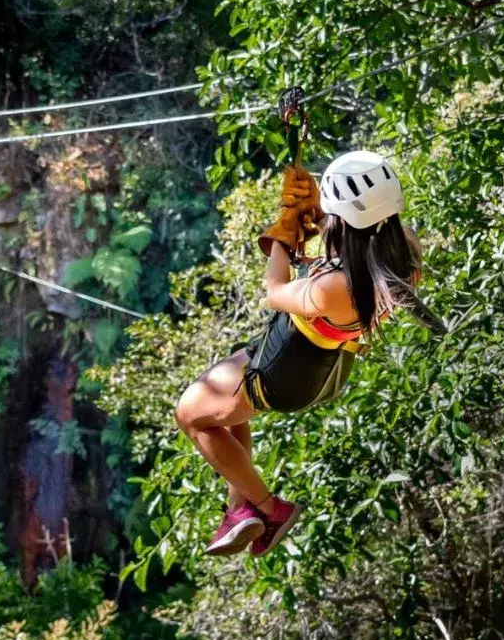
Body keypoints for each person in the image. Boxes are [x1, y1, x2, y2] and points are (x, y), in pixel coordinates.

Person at [174, 150, 444, 558]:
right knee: (223, 411)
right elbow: (352, 243)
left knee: (191, 415)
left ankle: (269, 509)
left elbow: (275, 293)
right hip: (319, 366)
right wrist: (315, 210)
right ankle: (240, 506)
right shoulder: (403, 252)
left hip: (285, 369)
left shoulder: (335, 288)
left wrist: (282, 236)